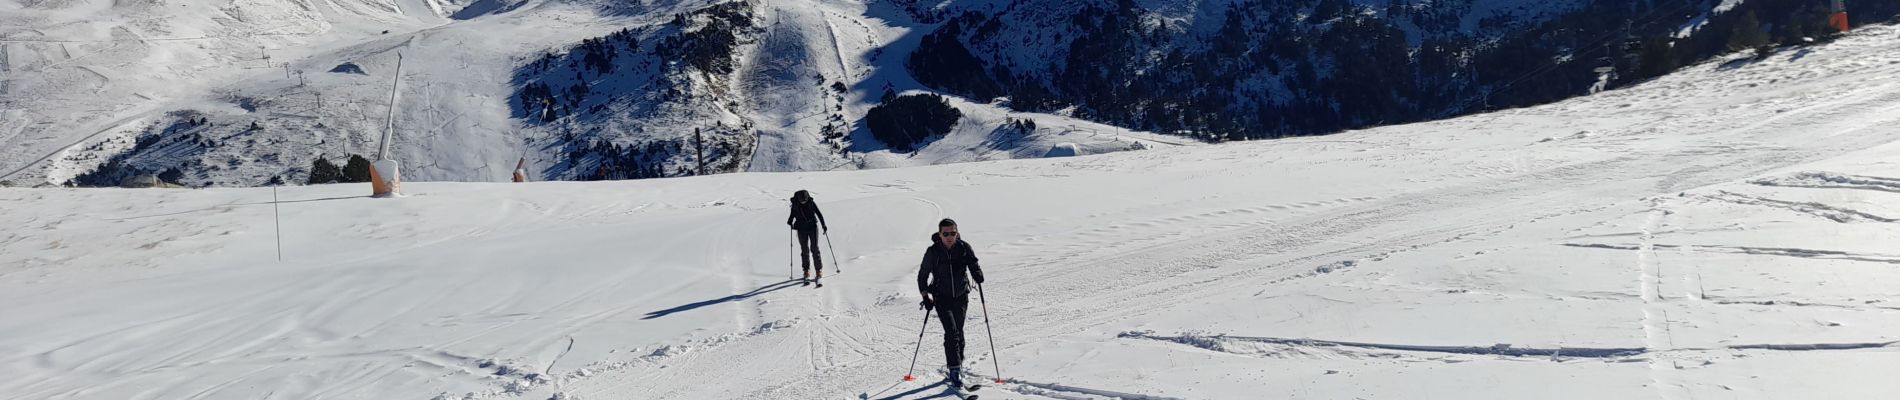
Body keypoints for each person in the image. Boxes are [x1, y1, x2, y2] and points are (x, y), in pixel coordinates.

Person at [917, 218, 984, 392]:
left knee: (959, 333)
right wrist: (925, 297)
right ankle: (954, 372)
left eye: (952, 233)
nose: (949, 237)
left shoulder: (963, 247)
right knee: (951, 333)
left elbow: (972, 262)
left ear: (957, 232)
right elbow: (922, 275)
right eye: (945, 233)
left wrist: (977, 273)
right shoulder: (933, 252)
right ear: (939, 234)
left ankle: (958, 365)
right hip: (942, 298)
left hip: (961, 297)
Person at [786, 190, 828, 280]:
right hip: (801, 229)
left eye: (805, 200)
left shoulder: (811, 202)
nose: (804, 202)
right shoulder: (795, 204)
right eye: (802, 201)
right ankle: (806, 270)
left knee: (814, 248)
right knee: (804, 249)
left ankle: (818, 270)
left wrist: (823, 225)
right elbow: (792, 214)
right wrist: (790, 221)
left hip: (812, 227)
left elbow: (819, 214)